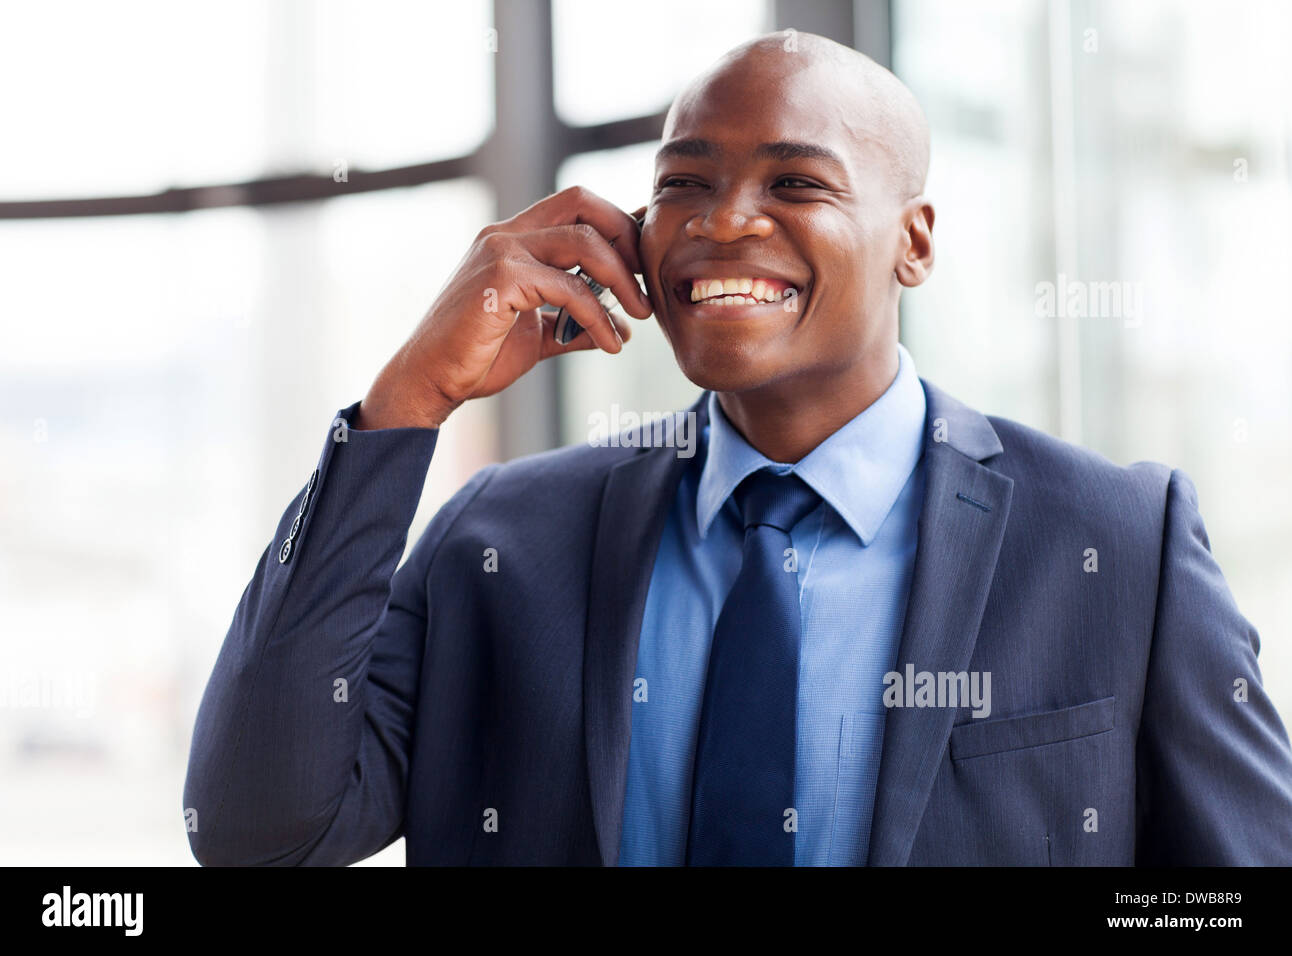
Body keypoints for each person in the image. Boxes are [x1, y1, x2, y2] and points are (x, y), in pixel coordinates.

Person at [183, 31, 1292, 865]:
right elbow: (255, 824)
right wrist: (407, 400)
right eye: (682, 185)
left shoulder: (1116, 542)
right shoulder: (503, 540)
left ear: (912, 242)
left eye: (795, 182)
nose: (722, 222)